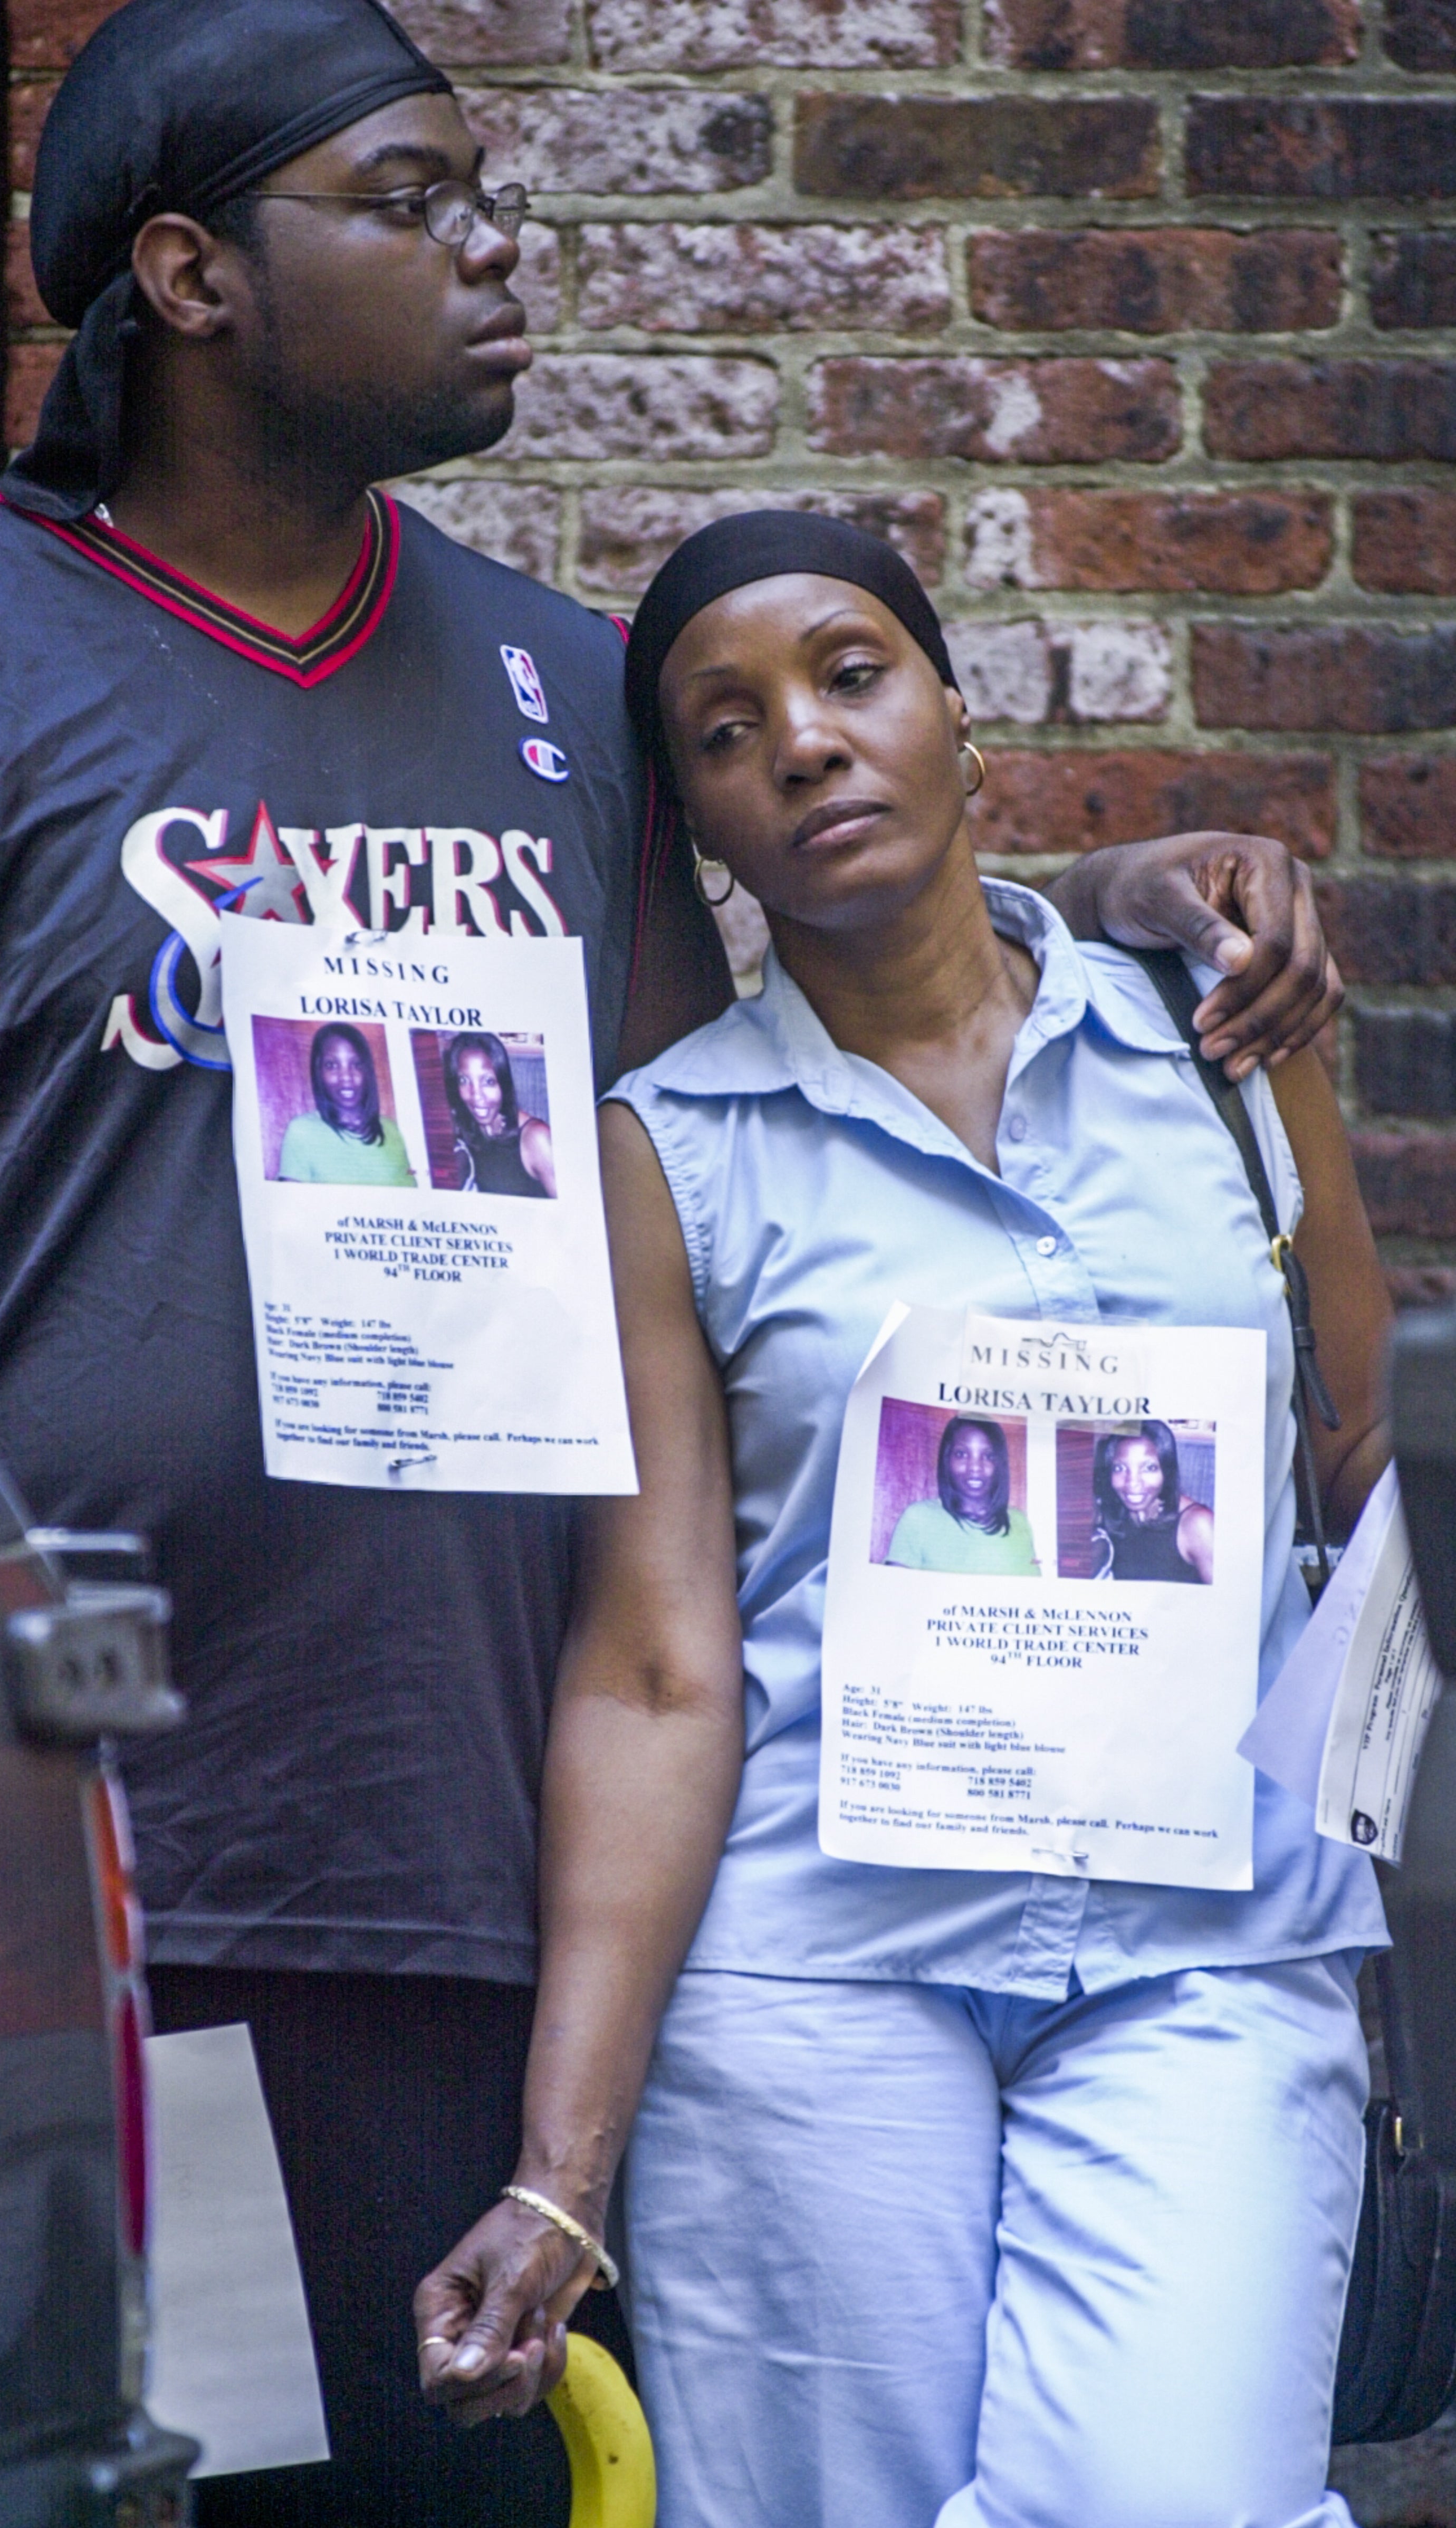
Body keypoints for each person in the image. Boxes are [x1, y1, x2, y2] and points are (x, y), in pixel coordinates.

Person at [0, 0, 1351, 2507]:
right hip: (86, 1839)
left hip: (457, 1840)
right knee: (154, 2477)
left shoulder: (558, 692)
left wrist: (1084, 905)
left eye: (489, 189)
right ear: (187, 272)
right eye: (408, 197)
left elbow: (762, 1106)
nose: (496, 245)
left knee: (422, 2486)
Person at [415, 515, 1393, 2528]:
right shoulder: (662, 1151)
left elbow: (1359, 1460)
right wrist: (557, 2169)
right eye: (722, 727)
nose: (800, 741)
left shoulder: (1218, 1041)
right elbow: (661, 1658)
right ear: (694, 815)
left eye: (849, 675)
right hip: (808, 1966)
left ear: (954, 709)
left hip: (1200, 1946)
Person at [887, 1414, 1039, 1574]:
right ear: (947, 1459)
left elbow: (1032, 1593)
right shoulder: (918, 1518)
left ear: (999, 1464)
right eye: (962, 1454)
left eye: (988, 1456)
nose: (975, 1468)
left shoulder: (1019, 1522)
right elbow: (896, 1592)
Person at [279, 1021, 415, 1184]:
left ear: (367, 1071)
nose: (346, 1077)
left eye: (356, 1065)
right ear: (319, 1072)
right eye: (332, 1065)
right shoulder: (302, 1132)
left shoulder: (391, 1131)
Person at [1091, 1419, 1214, 1584]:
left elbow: (1227, 1602)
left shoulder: (1198, 1524)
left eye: (1149, 1468)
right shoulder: (1112, 1512)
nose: (1132, 1483)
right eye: (1120, 1468)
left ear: (1167, 1471)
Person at [445, 1030, 555, 1198]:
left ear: (503, 1083)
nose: (476, 1096)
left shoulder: (536, 1138)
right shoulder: (470, 1128)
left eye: (488, 1082)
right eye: (464, 1081)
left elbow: (573, 1215)